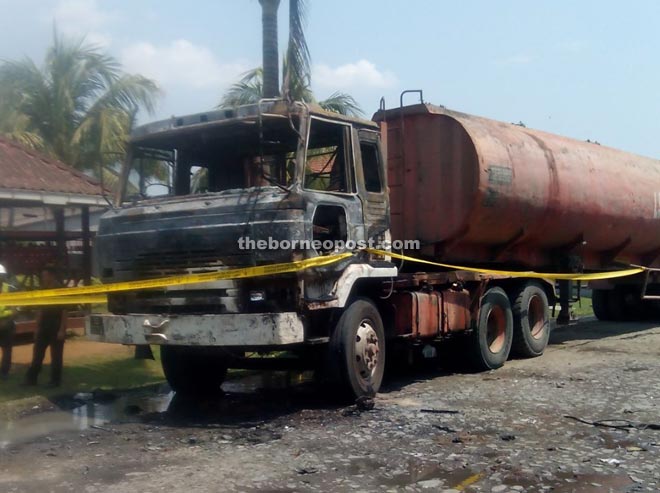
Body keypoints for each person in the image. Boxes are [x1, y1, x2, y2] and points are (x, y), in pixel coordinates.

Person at [25, 267, 67, 387]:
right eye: (42, 276)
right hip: (43, 327)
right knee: (37, 355)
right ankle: (31, 379)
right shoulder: (43, 289)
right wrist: (37, 327)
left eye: (45, 276)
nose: (43, 278)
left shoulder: (61, 290)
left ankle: (55, 381)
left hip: (56, 326)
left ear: (51, 276)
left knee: (56, 357)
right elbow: (39, 310)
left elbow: (65, 311)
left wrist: (62, 329)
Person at [0, 263, 17, 381]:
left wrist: (8, 321)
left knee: (6, 350)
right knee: (7, 349)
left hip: (6, 322)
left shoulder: (9, 289)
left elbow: (14, 309)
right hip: (6, 322)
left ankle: (4, 372)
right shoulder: (9, 288)